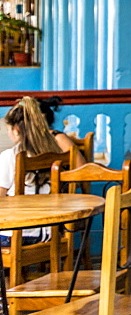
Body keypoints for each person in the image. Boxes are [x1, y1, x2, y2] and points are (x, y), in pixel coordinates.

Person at [0, 97, 64, 244]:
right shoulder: (54, 153)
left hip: (15, 235)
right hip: (47, 234)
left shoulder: (11, 156)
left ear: (16, 130)